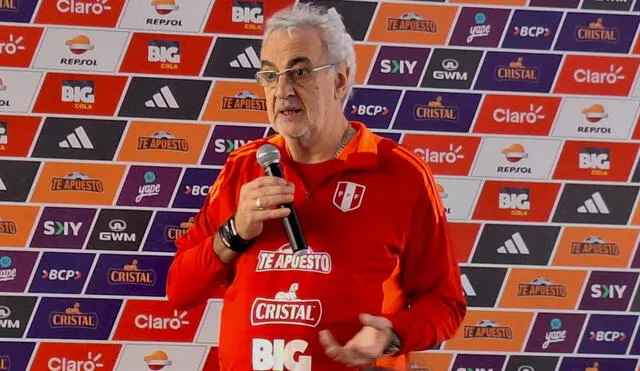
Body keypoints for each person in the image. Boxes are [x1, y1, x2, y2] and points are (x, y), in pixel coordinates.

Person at [165, 3, 466, 370]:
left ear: (340, 80)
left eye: (301, 72)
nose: (283, 90)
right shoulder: (243, 167)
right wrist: (235, 231)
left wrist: (392, 335)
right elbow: (180, 291)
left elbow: (444, 302)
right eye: (270, 75)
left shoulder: (401, 173)